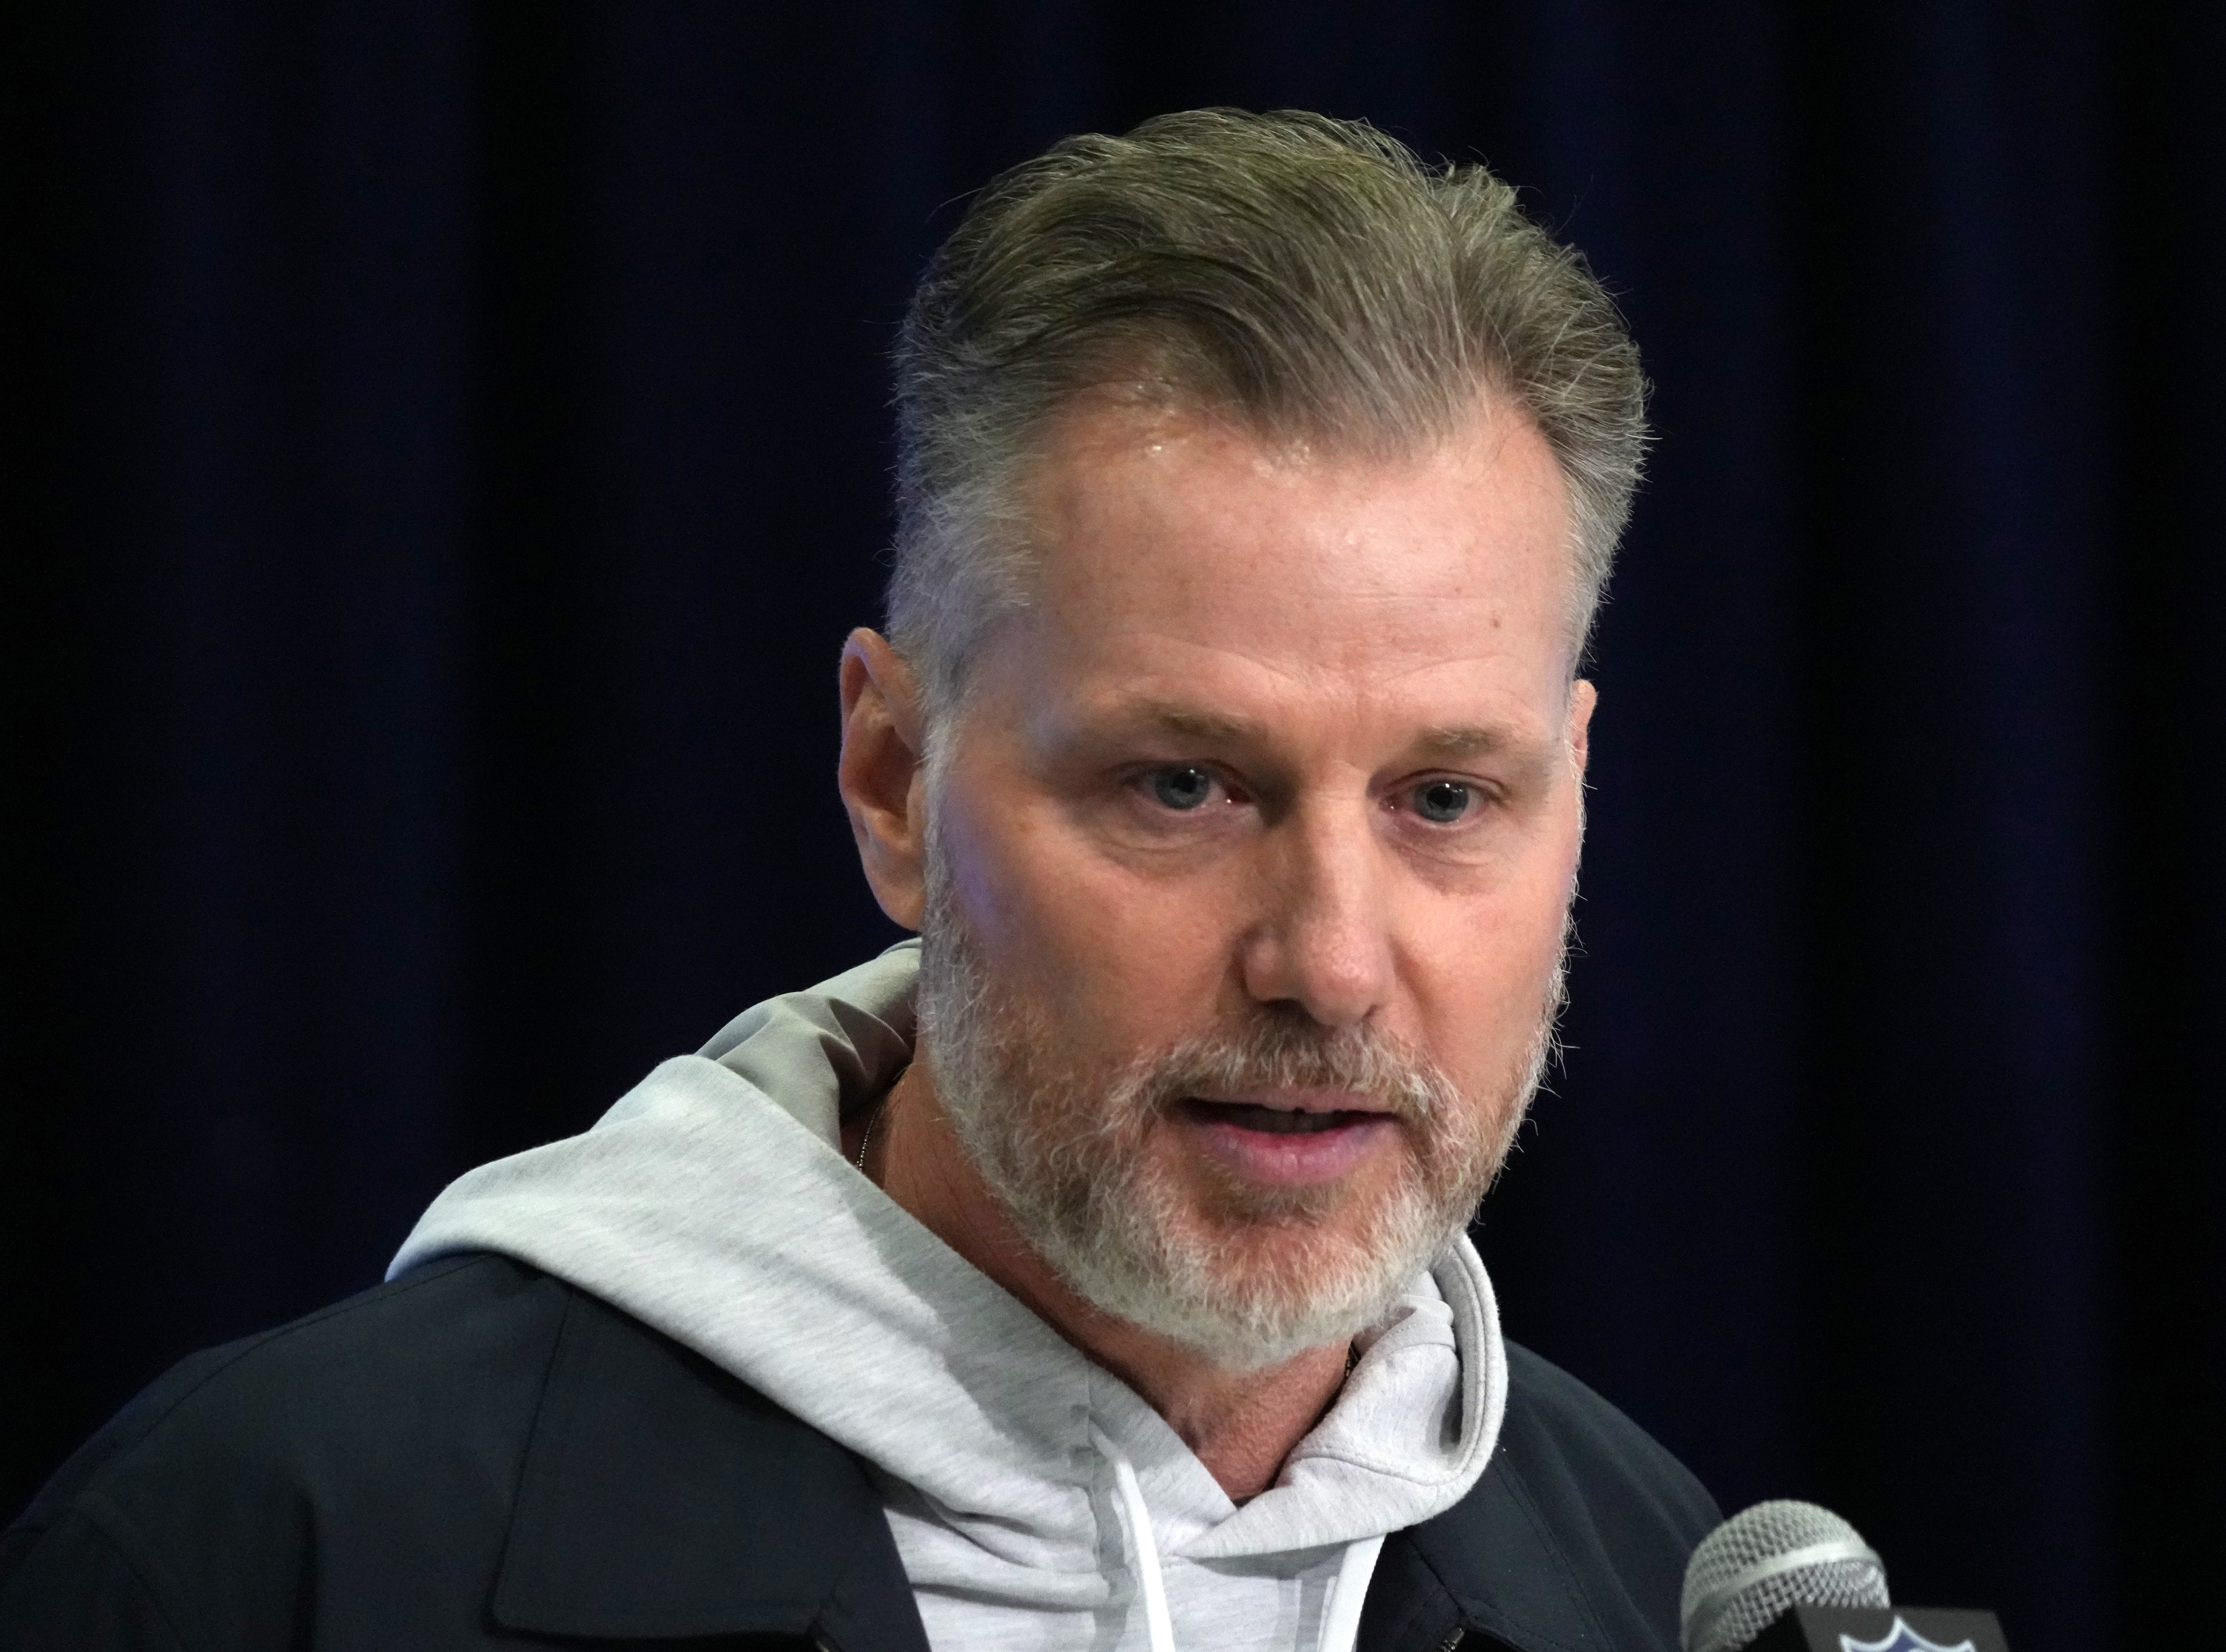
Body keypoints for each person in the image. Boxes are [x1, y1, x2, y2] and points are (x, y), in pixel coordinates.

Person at [0, 109, 1718, 1651]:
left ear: (1574, 790)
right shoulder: (264, 1559)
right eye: (1182, 784)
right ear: (892, 779)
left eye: (1443, 794)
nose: (1330, 962)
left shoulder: (1668, 1588)